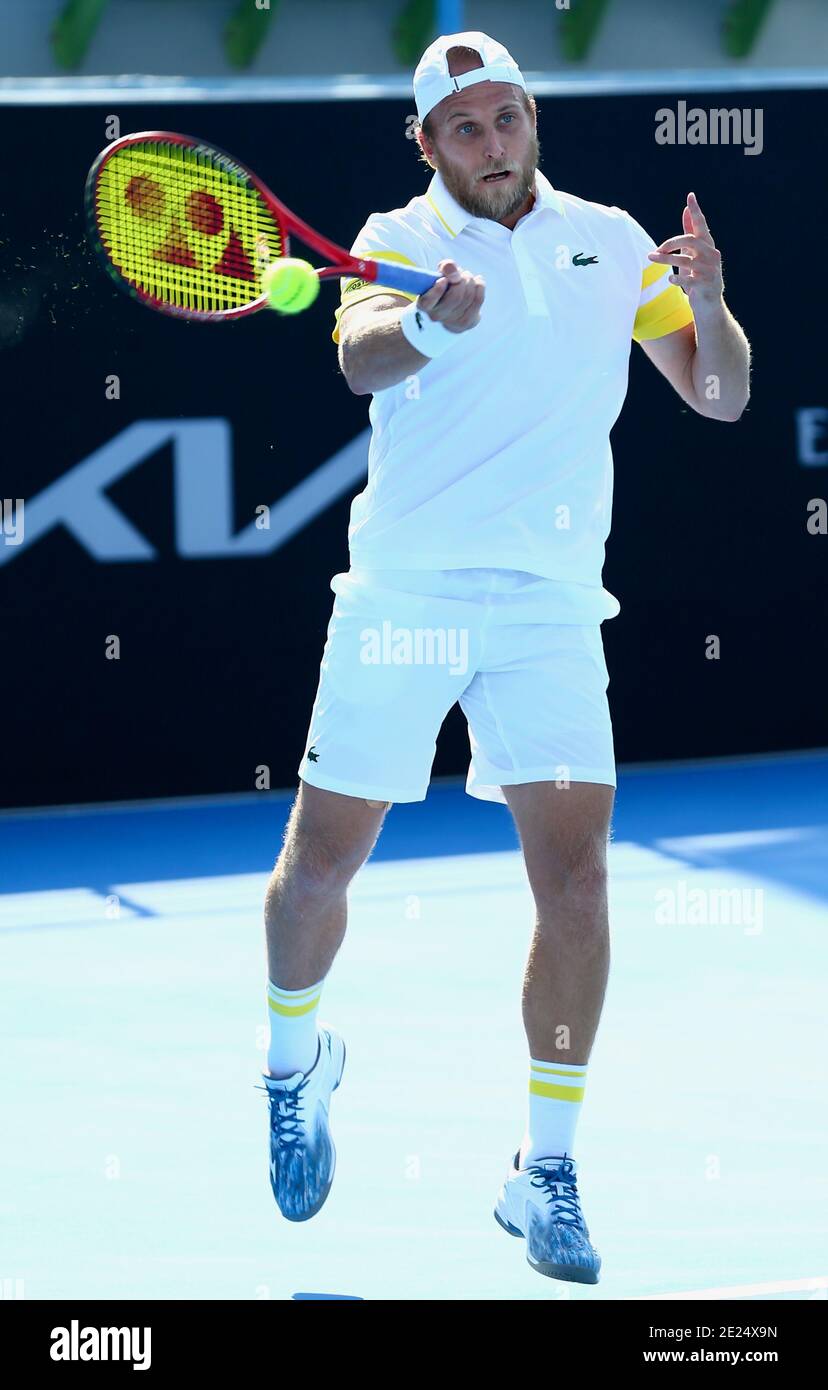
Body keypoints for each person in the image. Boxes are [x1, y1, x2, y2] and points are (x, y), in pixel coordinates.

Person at [258, 31, 751, 1284]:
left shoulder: (608, 236)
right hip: (403, 597)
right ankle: (294, 1064)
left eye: (507, 117)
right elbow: (359, 353)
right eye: (463, 128)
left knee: (577, 884)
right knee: (319, 869)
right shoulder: (398, 240)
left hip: (550, 607)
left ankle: (548, 1175)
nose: (491, 143)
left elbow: (720, 394)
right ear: (426, 146)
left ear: (533, 118)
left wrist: (709, 302)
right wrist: (425, 322)